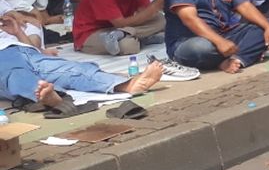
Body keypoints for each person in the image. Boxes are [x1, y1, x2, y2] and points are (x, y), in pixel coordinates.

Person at [2, 14, 164, 108]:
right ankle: (51, 97)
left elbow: (32, 49)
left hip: (23, 50)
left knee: (71, 69)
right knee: (18, 76)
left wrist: (17, 32)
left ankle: (126, 85)